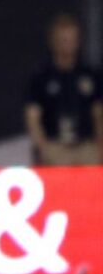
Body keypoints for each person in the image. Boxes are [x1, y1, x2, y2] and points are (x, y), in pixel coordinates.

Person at [25, 14, 103, 165]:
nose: (68, 45)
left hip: (86, 146)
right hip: (55, 146)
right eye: (63, 40)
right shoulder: (41, 77)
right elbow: (33, 117)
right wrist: (42, 148)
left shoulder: (90, 75)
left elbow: (98, 113)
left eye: (72, 40)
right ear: (53, 42)